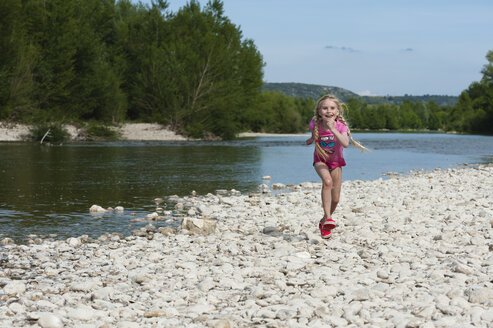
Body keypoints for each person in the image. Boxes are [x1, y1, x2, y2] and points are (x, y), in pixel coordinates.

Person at [305, 94, 367, 239]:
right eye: (324, 108)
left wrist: (333, 129)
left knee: (336, 199)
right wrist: (310, 140)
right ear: (319, 111)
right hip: (320, 161)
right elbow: (315, 136)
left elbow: (345, 143)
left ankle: (323, 222)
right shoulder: (315, 124)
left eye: (332, 108)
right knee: (327, 182)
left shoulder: (341, 126)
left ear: (337, 111)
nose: (328, 111)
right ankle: (328, 218)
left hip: (337, 163)